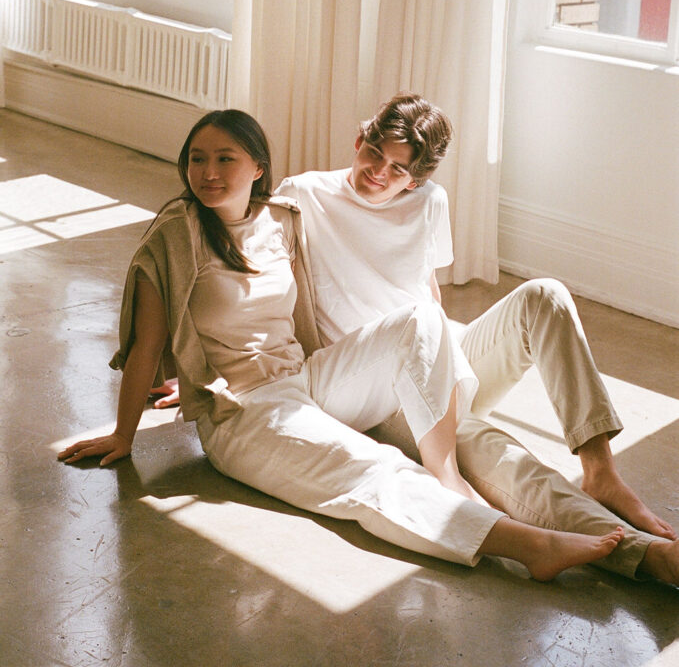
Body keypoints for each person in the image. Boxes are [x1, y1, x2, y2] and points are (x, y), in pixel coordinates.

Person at [56, 109, 679, 584]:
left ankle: (636, 535)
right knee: (383, 468)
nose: (209, 172)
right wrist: (129, 425)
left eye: (225, 159)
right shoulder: (231, 218)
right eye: (197, 158)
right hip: (252, 406)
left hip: (341, 374)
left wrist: (438, 374)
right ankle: (550, 546)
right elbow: (151, 341)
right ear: (359, 140)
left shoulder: (288, 219)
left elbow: (428, 302)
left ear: (257, 168)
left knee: (500, 438)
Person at [276, 93, 677, 545]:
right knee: (508, 464)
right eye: (374, 152)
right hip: (375, 387)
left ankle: (600, 470)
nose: (378, 172)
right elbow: (261, 288)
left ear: (415, 182)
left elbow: (426, 289)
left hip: (431, 354)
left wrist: (445, 375)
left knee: (545, 295)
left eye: (398, 169)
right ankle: (642, 554)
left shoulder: (430, 202)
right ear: (359, 138)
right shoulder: (301, 194)